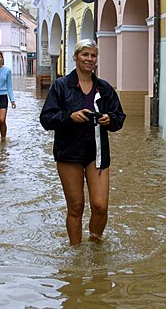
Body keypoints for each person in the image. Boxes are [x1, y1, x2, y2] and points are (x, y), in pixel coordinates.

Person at [39, 39, 126, 245]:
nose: (89, 59)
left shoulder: (104, 88)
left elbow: (119, 118)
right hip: (69, 152)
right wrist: (69, 117)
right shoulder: (61, 86)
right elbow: (46, 119)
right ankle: (76, 251)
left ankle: (95, 245)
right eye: (85, 54)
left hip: (97, 153)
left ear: (96, 60)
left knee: (100, 206)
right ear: (75, 57)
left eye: (93, 55)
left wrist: (109, 119)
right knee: (76, 206)